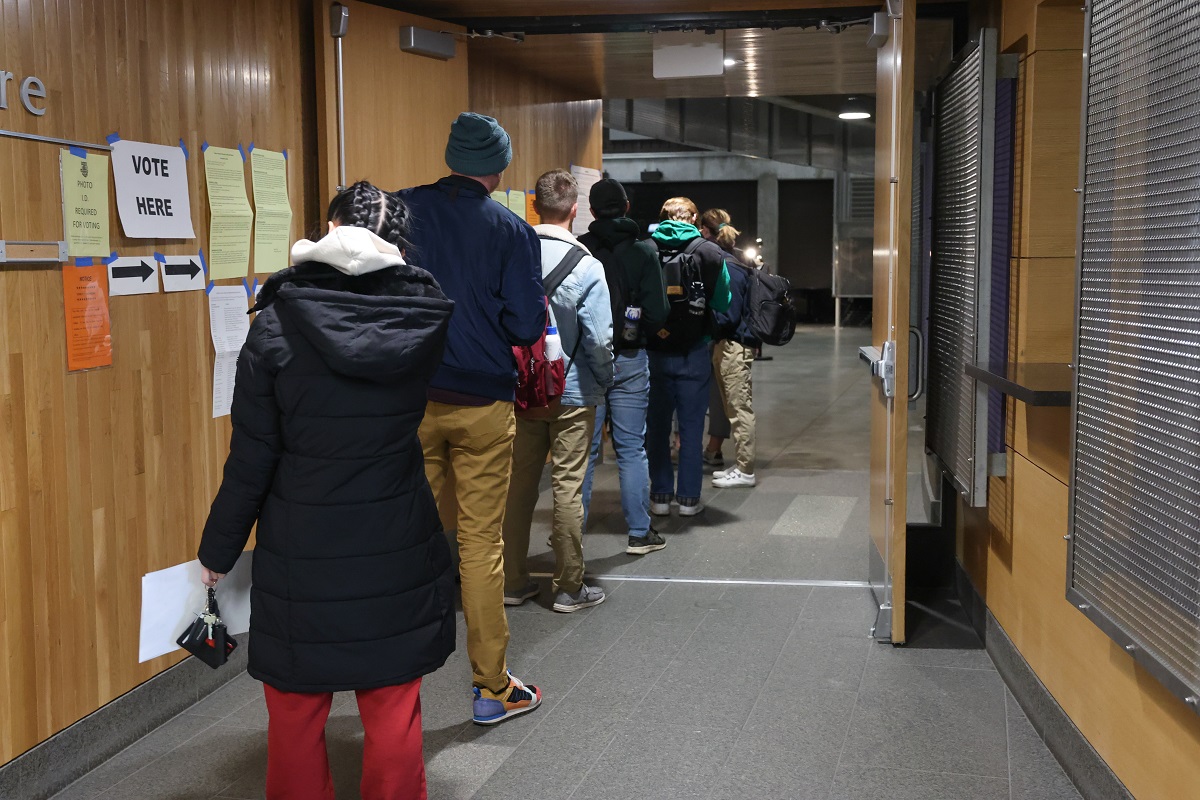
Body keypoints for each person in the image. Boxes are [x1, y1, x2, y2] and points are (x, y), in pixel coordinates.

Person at [198, 182, 455, 800]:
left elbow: (252, 457)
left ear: (328, 231)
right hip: (396, 531)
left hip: (302, 543)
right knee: (393, 703)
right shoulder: (421, 318)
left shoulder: (277, 325)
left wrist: (217, 553)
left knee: (294, 708)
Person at [396, 112, 545, 725]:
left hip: (411, 397)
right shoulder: (511, 229)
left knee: (412, 538)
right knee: (481, 544)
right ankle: (491, 687)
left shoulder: (401, 211)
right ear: (499, 166)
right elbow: (526, 325)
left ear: (451, 156)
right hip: (482, 402)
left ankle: (395, 679)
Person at [503, 168, 615, 611]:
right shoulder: (587, 266)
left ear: (534, 205)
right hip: (571, 392)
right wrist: (603, 383)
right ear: (575, 210)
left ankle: (512, 581)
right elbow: (600, 339)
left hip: (521, 391)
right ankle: (569, 587)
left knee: (519, 485)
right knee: (568, 486)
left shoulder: (512, 256)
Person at [578, 178, 671, 555]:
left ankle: (572, 534)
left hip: (586, 358)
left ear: (592, 210)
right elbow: (659, 311)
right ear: (627, 207)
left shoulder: (581, 249)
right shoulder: (644, 251)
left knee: (583, 451)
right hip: (631, 357)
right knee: (632, 447)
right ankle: (639, 533)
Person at [645, 197, 732, 516]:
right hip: (695, 350)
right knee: (693, 427)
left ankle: (660, 496)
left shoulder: (646, 248)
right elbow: (723, 301)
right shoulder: (710, 251)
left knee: (656, 427)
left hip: (654, 350)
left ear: (662, 217)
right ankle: (689, 500)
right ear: (695, 219)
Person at [700, 208, 759, 489]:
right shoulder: (734, 262)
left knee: (739, 409)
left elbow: (729, 314)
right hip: (734, 345)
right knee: (733, 407)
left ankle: (746, 470)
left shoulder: (727, 266)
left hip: (734, 346)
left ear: (706, 232)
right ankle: (741, 465)